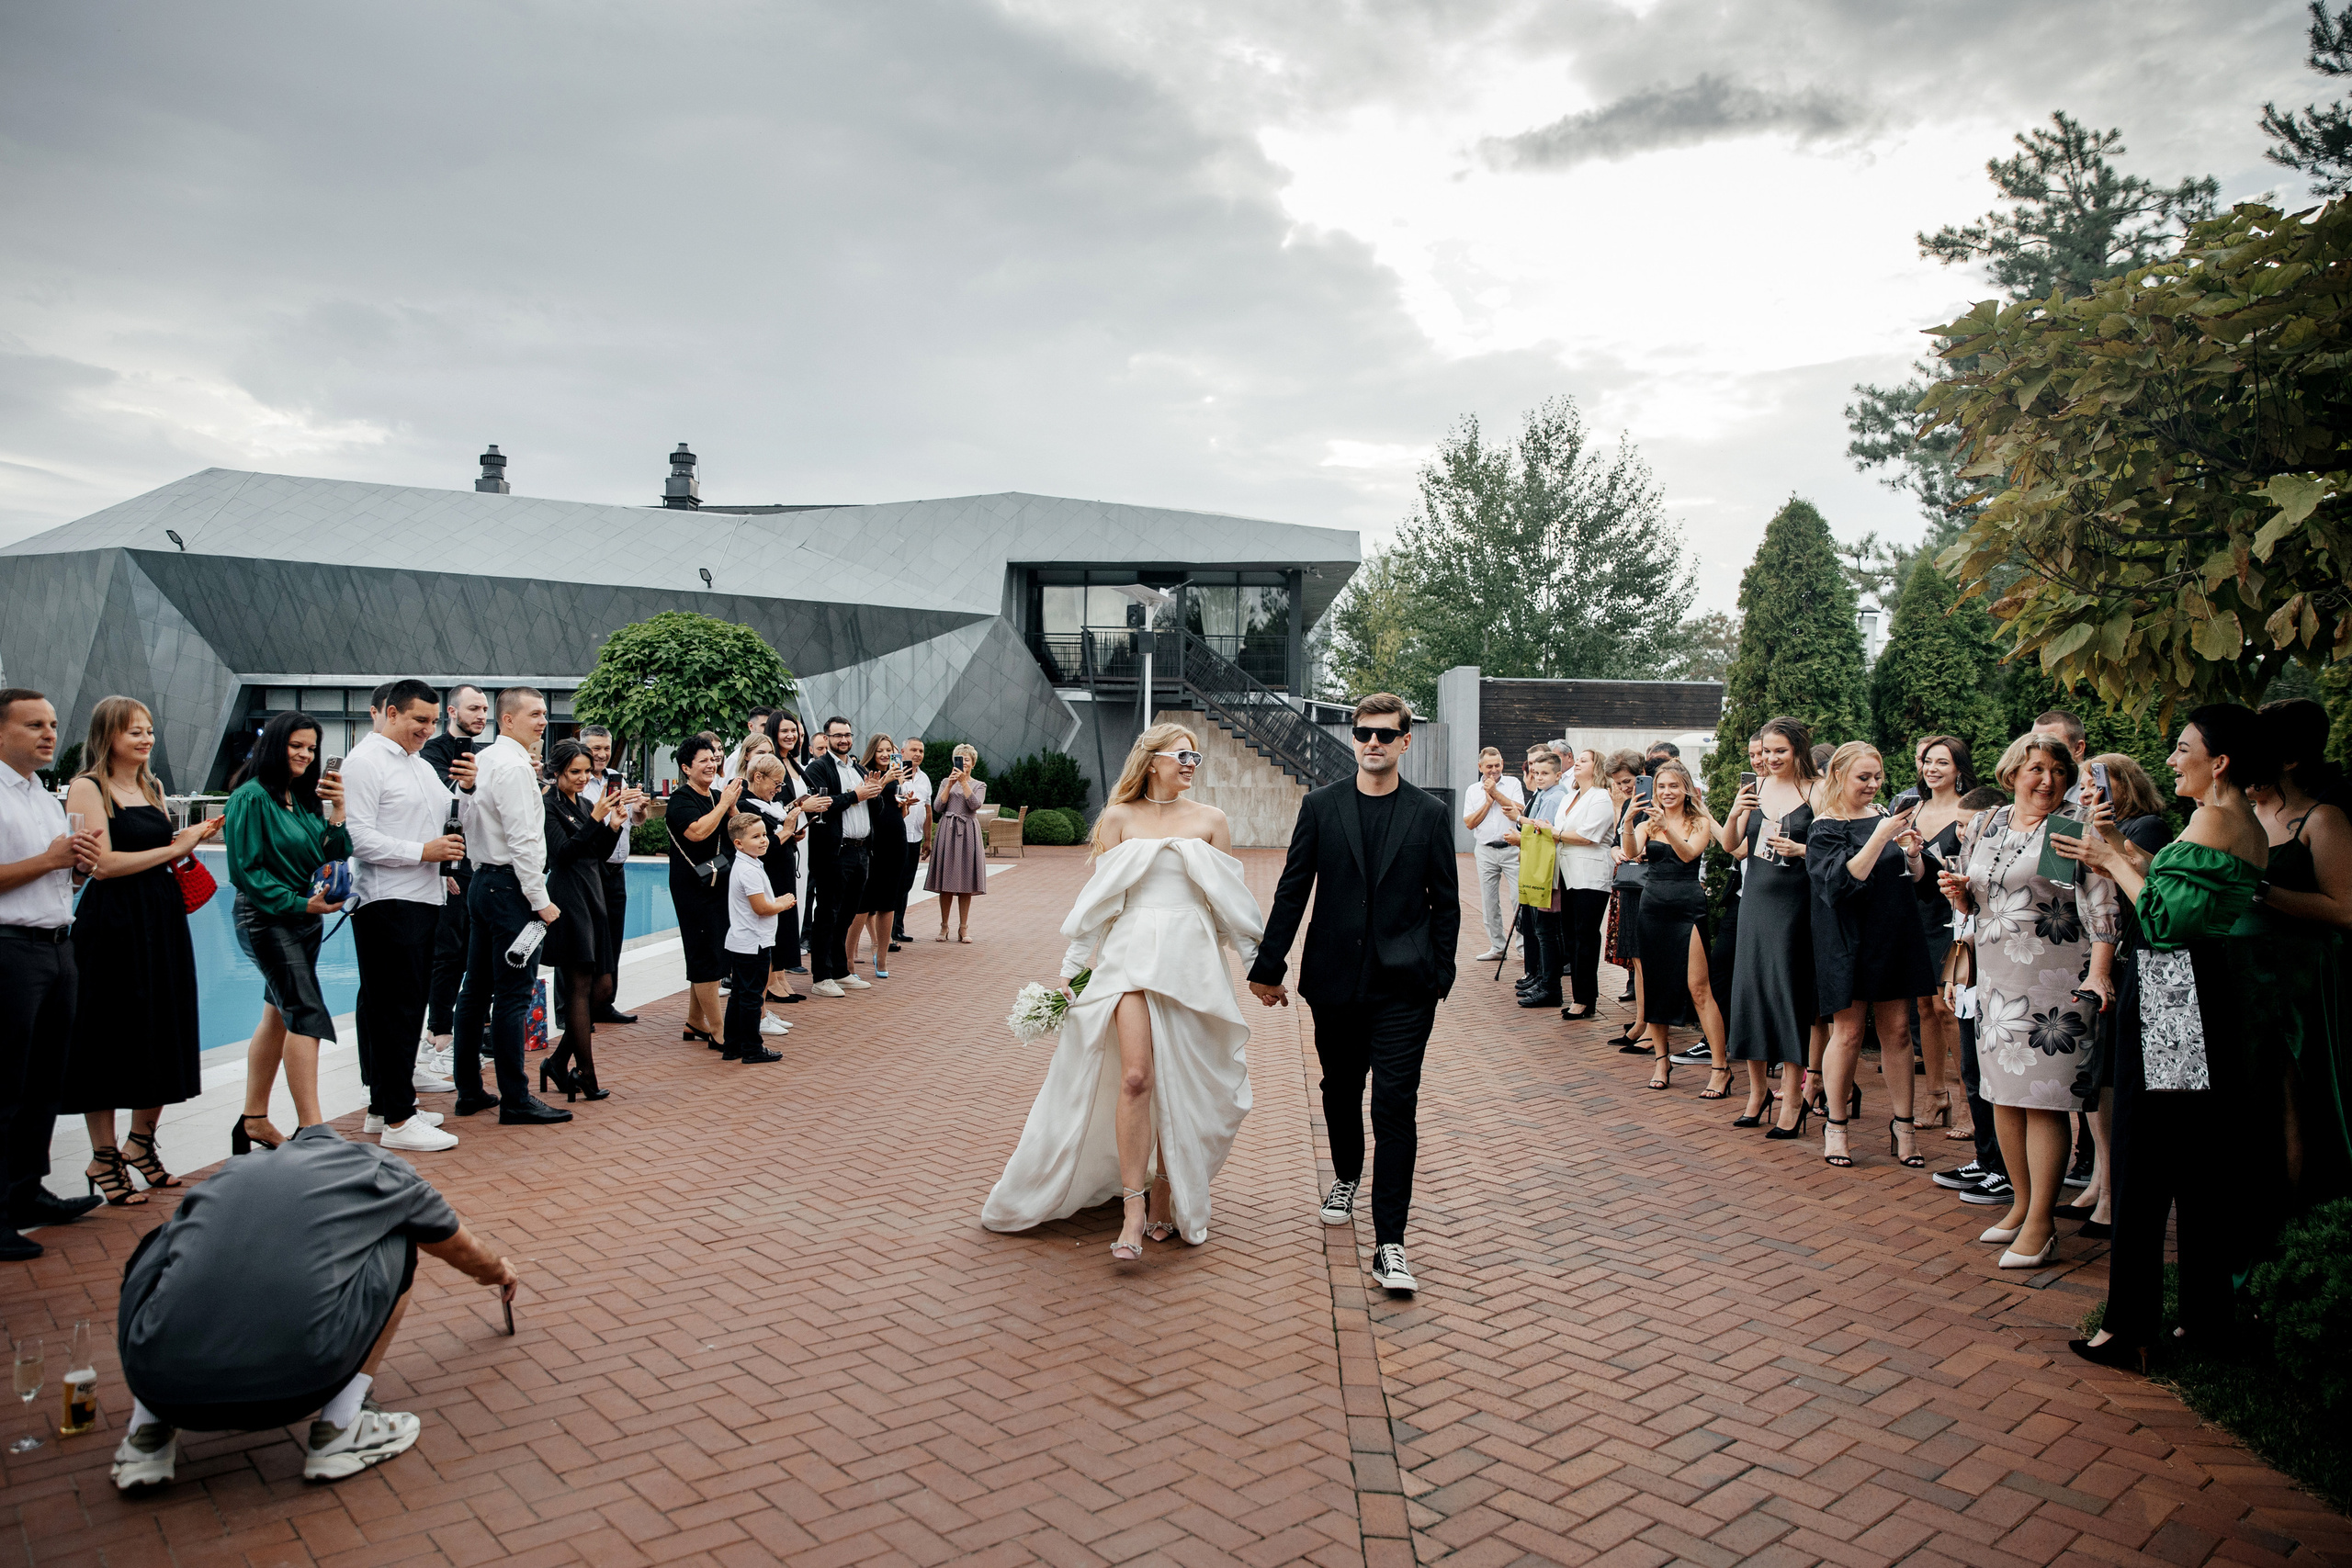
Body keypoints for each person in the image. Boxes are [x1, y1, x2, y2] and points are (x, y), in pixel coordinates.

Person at [107, 1122, 518, 1493]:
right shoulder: (383, 1170)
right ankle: (341, 1425)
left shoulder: (235, 1172)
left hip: (159, 1385)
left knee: (167, 1242)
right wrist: (498, 1272)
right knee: (400, 1235)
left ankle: (147, 1436)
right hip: (300, 1385)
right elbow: (463, 1249)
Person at [984, 722, 1261, 1258]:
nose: (1190, 766)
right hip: (1129, 956)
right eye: (1183, 756)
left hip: (1192, 963)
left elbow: (1231, 905)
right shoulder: (1118, 818)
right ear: (1151, 759)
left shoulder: (1212, 821)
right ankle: (1132, 1210)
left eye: (1196, 760)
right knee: (1136, 1077)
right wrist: (1071, 965)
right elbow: (1100, 901)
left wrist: (1257, 967)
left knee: (1179, 1083)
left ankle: (1165, 1191)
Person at [2064, 707, 2270, 1371]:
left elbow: (2162, 915)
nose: (2173, 759)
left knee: (2144, 1155)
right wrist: (2118, 842)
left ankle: (2131, 1328)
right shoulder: (2236, 820)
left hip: (2172, 985)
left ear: (2221, 760)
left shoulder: (2214, 818)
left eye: (2184, 748)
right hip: (2195, 987)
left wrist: (2105, 858)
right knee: (2193, 1158)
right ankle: (2204, 1320)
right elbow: (2178, 886)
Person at [1249, 694, 1460, 1296]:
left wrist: (1438, 975)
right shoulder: (1321, 807)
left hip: (1405, 988)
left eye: (1385, 735)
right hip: (1334, 982)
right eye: (1363, 732)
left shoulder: (1427, 814)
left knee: (1393, 1106)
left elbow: (1445, 903)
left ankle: (1390, 1243)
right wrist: (1269, 967)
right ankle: (1345, 1173)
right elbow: (1292, 891)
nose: (1372, 743)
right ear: (1354, 736)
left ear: (1405, 741)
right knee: (1340, 1088)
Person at [1938, 732, 2118, 1269]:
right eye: (2036, 769)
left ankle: (2042, 1223)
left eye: (2059, 772)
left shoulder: (2066, 828)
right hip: (1997, 980)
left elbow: (2098, 905)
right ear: (2012, 772)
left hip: (2055, 981)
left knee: (2043, 1102)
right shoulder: (1989, 824)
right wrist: (1960, 892)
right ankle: (2020, 1206)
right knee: (2005, 1098)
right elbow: (1984, 894)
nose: (2047, 781)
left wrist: (2100, 976)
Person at [62, 697, 220, 1202]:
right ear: (108, 735)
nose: (146, 739)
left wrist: (189, 838)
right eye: (134, 732)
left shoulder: (150, 786)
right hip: (113, 923)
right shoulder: (89, 788)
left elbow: (152, 851)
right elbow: (102, 865)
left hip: (160, 918)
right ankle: (103, 1156)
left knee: (161, 1027)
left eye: (149, 730)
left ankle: (141, 1143)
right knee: (109, 1034)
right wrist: (177, 847)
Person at [339, 680, 469, 1155]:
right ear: (390, 713)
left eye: (433, 722)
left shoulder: (416, 764)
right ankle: (398, 1117)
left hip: (422, 895)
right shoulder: (365, 763)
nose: (427, 730)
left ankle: (384, 1108)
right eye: (420, 720)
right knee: (394, 1009)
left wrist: (440, 865)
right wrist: (423, 852)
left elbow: (444, 816)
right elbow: (357, 838)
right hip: (387, 901)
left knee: (404, 1006)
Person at [0, 689, 104, 1261]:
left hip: (57, 945)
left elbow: (58, 877)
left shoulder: (43, 795)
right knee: (6, 1083)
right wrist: (53, 859)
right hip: (10, 950)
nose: (48, 734)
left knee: (44, 1082)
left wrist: (77, 870)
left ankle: (25, 1193)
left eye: (53, 724)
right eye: (33, 724)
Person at [224, 711, 352, 1153]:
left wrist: (338, 811)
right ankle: (312, 1128)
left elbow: (332, 855)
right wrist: (300, 903)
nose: (304, 754)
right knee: (306, 1011)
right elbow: (245, 871)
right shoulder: (250, 797)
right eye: (296, 745)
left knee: (277, 1014)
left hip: (305, 917)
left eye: (311, 748)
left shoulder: (299, 798)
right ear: (274, 745)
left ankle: (253, 1120)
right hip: (268, 917)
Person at [1806, 742, 1936, 1170]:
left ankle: (1904, 1127)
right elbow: (1841, 885)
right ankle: (1836, 1126)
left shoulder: (1885, 817)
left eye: (1877, 777)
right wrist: (1881, 836)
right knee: (1847, 1033)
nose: (1873, 784)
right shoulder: (1825, 827)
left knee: (1898, 1031)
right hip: (1847, 939)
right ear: (1839, 777)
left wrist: (1913, 854)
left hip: (1893, 932)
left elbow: (1916, 881)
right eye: (1864, 777)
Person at [2060, 753, 2174, 1238]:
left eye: (2094, 784)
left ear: (2122, 784)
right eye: (2083, 787)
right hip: (2089, 958)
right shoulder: (2083, 825)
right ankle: (2100, 1183)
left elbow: (2138, 892)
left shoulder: (2146, 827)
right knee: (2095, 1080)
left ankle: (2113, 1194)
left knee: (2115, 1080)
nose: (2086, 794)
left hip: (2131, 962)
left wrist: (2104, 848)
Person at [447, 687, 571, 1127]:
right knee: (513, 996)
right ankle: (516, 1099)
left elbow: (466, 818)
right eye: (534, 714)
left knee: (476, 989)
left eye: (544, 714)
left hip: (483, 881)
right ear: (508, 720)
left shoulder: (486, 762)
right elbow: (523, 840)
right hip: (510, 889)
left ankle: (469, 1090)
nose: (542, 721)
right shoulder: (514, 767)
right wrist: (541, 901)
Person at [2246, 700, 2351, 1210]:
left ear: (2288, 759)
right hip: (2243, 974)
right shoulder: (2235, 817)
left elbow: (2345, 910)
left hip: (2296, 979)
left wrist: (2259, 891)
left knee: (2289, 1097)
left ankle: (2291, 1221)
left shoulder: (2321, 818)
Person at [1722, 717, 1820, 1136]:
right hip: (1756, 901)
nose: (1771, 758)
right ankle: (1756, 1091)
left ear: (1797, 748)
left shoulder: (1818, 790)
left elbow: (1836, 845)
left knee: (1788, 995)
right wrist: (1734, 813)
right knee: (1751, 994)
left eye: (1780, 750)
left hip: (1796, 903)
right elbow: (1732, 847)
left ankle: (1793, 1100)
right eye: (1766, 751)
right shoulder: (1755, 788)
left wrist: (1802, 849)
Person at [541, 739, 637, 1100]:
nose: (583, 778)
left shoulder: (582, 803)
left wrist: (612, 826)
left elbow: (598, 853)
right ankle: (587, 1074)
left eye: (586, 771)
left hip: (594, 893)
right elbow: (563, 854)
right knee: (580, 989)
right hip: (568, 897)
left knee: (603, 990)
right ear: (556, 772)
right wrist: (596, 819)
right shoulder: (548, 806)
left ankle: (557, 1062)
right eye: (574, 772)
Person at [1628, 760, 1727, 1097]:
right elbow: (1630, 852)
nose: (1666, 793)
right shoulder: (1648, 821)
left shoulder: (1698, 821)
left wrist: (1667, 829)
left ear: (1685, 788)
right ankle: (1661, 1060)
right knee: (1655, 986)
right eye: (1661, 787)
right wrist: (1628, 822)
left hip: (1687, 906)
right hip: (1652, 906)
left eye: (1673, 786)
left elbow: (1688, 856)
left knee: (1699, 989)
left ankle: (1720, 1067)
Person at [1906, 735, 1975, 1139]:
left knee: (1949, 1008)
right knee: (1923, 1007)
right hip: (1916, 914)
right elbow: (1911, 873)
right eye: (1928, 762)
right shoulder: (1912, 809)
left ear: (1959, 770)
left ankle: (1969, 1102)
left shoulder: (1972, 812)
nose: (1932, 769)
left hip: (1953, 919)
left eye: (1942, 763)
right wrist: (1913, 855)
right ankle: (1936, 1095)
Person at [421, 683, 490, 1066]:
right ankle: (439, 1030)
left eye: (484, 709)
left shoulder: (486, 754)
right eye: (473, 709)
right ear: (451, 712)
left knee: (473, 952)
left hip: (478, 864)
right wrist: (442, 865)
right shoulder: (433, 754)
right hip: (449, 865)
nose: (481, 715)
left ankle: (475, 1024)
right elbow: (437, 807)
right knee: (448, 951)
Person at [662, 733, 741, 1041]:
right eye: (703, 761)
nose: (712, 765)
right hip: (692, 887)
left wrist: (730, 807)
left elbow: (738, 830)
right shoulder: (681, 799)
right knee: (704, 954)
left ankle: (695, 1020)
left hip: (716, 880)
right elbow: (697, 833)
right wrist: (723, 804)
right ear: (686, 767)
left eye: (713, 759)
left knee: (711, 951)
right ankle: (718, 1029)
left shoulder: (715, 796)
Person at [804, 716, 885, 996]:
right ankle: (821, 976)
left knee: (848, 914)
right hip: (834, 853)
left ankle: (840, 970)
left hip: (861, 850)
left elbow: (877, 809)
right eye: (838, 735)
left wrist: (874, 794)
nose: (844, 740)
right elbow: (822, 806)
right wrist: (856, 795)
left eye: (848, 735)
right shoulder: (818, 768)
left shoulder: (860, 768)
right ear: (826, 739)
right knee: (827, 913)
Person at [719, 812, 795, 1064]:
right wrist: (782, 904)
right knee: (751, 996)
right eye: (756, 837)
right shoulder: (748, 870)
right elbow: (761, 908)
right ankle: (752, 1048)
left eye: (764, 835)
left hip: (744, 941)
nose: (764, 841)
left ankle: (733, 1045)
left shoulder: (749, 864)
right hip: (753, 942)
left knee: (740, 994)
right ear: (739, 843)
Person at [578, 727, 639, 1025]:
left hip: (618, 869)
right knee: (590, 940)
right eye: (595, 748)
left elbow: (632, 822)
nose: (601, 754)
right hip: (593, 867)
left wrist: (638, 809)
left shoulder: (617, 778)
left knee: (614, 938)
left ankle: (605, 1002)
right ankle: (581, 1008)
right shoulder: (578, 781)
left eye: (605, 748)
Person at [1551, 749, 1617, 1021]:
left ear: (1597, 766)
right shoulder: (1569, 796)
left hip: (1591, 874)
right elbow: (1562, 830)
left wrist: (1554, 833)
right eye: (1576, 759)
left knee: (1585, 935)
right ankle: (1581, 995)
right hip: (1566, 871)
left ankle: (1585, 999)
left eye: (1584, 760)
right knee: (1571, 935)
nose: (1577, 763)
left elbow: (1588, 836)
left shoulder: (1601, 797)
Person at [847, 733, 908, 979]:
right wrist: (885, 780)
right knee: (863, 903)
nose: (885, 754)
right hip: (872, 842)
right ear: (873, 751)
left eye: (889, 750)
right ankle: (848, 959)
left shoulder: (897, 775)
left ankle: (881, 956)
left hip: (896, 839)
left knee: (888, 903)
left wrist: (905, 802)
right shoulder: (863, 772)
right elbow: (866, 797)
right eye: (881, 750)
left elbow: (897, 809)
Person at [1511, 747, 1566, 1006]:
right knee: (1540, 929)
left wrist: (1519, 820)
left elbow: (1546, 831)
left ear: (1558, 775)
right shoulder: (1544, 794)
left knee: (1546, 931)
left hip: (1547, 870)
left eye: (1545, 773)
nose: (1540, 777)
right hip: (1537, 866)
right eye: (1536, 772)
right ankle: (1543, 979)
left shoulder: (1555, 797)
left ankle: (1549, 986)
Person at [1462, 746, 1526, 963]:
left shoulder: (1513, 784)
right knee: (1489, 901)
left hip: (1512, 849)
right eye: (1489, 766)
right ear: (1480, 767)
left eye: (1497, 765)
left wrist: (1496, 794)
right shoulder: (1472, 790)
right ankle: (1497, 946)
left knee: (1519, 897)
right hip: (1486, 850)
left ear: (1502, 764)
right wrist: (1489, 803)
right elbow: (1469, 823)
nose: (1494, 770)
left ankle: (1523, 946)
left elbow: (1521, 809)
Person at [1601, 750, 1646, 1037]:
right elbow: (1618, 842)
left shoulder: (1652, 800)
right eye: (1618, 783)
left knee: (1645, 959)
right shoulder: (1629, 801)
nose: (1624, 787)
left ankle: (1649, 1022)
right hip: (1628, 884)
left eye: (1627, 780)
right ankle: (1642, 1019)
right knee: (1637, 961)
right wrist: (1617, 849)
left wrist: (1633, 850)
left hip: (1645, 886)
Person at [926, 744, 988, 942]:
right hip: (947, 830)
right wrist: (952, 784)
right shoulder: (946, 781)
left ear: (973, 763)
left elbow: (975, 805)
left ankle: (963, 928)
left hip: (968, 831)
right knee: (946, 881)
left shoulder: (979, 784)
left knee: (966, 882)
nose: (963, 763)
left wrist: (964, 783)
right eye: (959, 759)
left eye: (967, 759)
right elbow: (938, 806)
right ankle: (944, 926)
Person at [894, 738, 929, 945]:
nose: (917, 754)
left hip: (915, 838)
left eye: (921, 751)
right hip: (896, 838)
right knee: (893, 884)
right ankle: (887, 929)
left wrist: (928, 838)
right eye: (913, 750)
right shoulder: (895, 774)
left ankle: (898, 927)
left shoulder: (924, 778)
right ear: (902, 751)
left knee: (906, 884)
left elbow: (927, 809)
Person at [720, 708, 775, 779]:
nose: (768, 729)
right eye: (764, 725)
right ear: (751, 726)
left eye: (771, 726)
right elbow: (726, 786)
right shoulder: (735, 758)